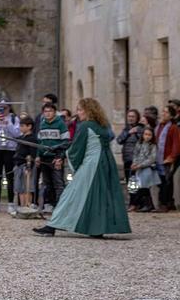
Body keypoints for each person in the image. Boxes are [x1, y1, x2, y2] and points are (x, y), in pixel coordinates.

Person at [33, 98, 131, 238]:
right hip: (106, 162)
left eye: (80, 110)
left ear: (88, 110)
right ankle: (96, 229)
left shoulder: (86, 126)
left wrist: (62, 155)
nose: (78, 113)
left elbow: (76, 148)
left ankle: (52, 226)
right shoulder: (102, 125)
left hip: (92, 164)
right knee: (100, 196)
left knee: (71, 194)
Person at [36, 102, 69, 213]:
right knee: (47, 183)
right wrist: (37, 156)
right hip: (44, 158)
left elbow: (66, 142)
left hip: (56, 158)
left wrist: (60, 157)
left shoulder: (61, 124)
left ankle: (61, 206)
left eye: (50, 111)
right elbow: (39, 142)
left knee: (58, 183)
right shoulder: (42, 124)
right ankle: (50, 204)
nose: (48, 113)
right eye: (46, 111)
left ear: (55, 112)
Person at [154, 105, 180, 213]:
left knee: (165, 182)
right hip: (158, 158)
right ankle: (168, 202)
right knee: (161, 181)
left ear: (171, 116)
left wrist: (172, 157)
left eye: (166, 112)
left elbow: (176, 144)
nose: (163, 114)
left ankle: (164, 204)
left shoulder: (173, 128)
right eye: (163, 111)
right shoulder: (159, 126)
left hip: (166, 159)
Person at [129, 126, 160, 213]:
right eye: (146, 134)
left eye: (149, 135)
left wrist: (140, 165)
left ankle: (139, 204)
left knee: (144, 186)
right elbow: (135, 154)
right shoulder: (139, 144)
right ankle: (147, 205)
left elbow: (151, 159)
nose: (147, 136)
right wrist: (134, 163)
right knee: (141, 187)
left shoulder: (153, 146)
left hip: (147, 169)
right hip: (138, 168)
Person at [12, 116, 38, 213]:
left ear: (29, 126)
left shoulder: (32, 139)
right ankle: (21, 207)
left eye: (22, 126)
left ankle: (28, 206)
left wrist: (29, 167)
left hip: (26, 165)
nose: (20, 128)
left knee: (27, 187)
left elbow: (32, 154)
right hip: (18, 164)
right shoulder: (21, 138)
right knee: (20, 188)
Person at [116, 109, 143, 187]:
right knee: (129, 181)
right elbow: (119, 140)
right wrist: (128, 133)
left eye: (133, 116)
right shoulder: (126, 129)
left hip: (136, 160)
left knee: (134, 183)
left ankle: (134, 198)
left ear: (137, 118)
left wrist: (137, 133)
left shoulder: (140, 128)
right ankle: (132, 197)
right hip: (127, 159)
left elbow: (143, 141)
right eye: (129, 116)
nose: (130, 118)